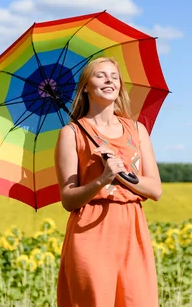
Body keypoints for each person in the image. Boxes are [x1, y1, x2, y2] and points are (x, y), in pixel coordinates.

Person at [55, 56, 162, 307]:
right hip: (90, 231)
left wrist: (123, 173)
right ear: (85, 87)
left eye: (114, 77)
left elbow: (155, 190)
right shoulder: (71, 133)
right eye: (101, 75)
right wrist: (102, 179)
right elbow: (68, 199)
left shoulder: (137, 130)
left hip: (132, 229)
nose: (109, 80)